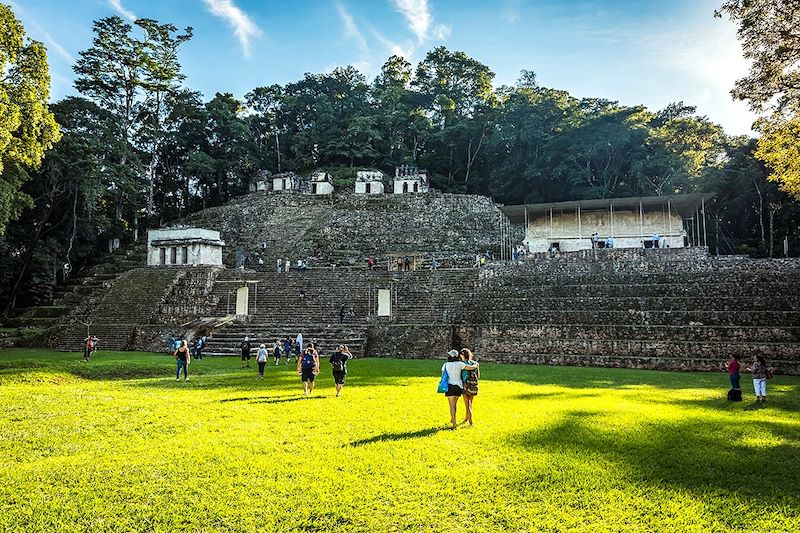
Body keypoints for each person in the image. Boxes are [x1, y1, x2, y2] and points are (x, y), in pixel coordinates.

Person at [441, 349, 478, 429]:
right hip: (459, 386)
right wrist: (476, 365)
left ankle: (454, 422)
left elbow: (443, 376)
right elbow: (470, 368)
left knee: (452, 405)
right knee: (456, 404)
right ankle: (454, 419)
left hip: (450, 386)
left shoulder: (445, 365)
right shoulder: (460, 364)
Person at [460, 348, 480, 427]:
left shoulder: (462, 364)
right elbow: (478, 376)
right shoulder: (475, 363)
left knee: (467, 404)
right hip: (473, 385)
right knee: (470, 403)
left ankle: (471, 422)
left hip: (465, 385)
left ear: (462, 355)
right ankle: (466, 418)